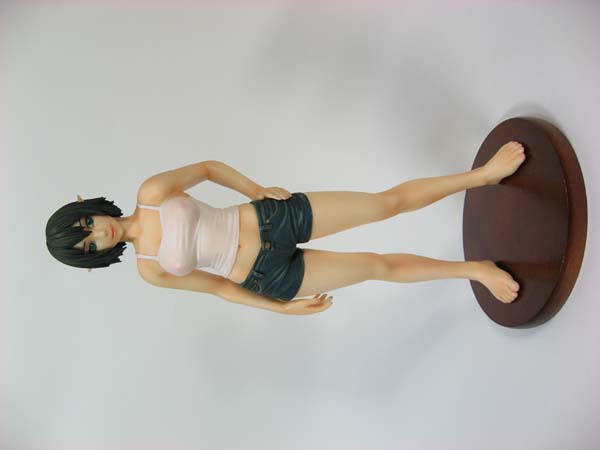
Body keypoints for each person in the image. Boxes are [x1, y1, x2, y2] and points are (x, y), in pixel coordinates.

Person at [45, 142, 526, 315]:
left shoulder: (151, 193)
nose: (99, 234)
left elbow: (208, 168)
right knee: (375, 266)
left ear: (87, 207)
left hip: (270, 217)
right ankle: (475, 270)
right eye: (89, 245)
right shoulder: (149, 269)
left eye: (87, 224)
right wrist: (280, 310)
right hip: (268, 277)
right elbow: (220, 290)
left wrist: (255, 189)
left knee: (384, 204)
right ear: (94, 259)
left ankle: (481, 176)